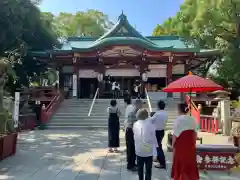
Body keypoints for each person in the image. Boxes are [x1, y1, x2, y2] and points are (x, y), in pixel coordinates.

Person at [171, 103, 199, 180]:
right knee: (190, 163)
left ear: (179, 110)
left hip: (180, 147)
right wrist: (193, 144)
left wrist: (173, 146)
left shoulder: (178, 120)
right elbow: (195, 134)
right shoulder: (193, 119)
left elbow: (175, 136)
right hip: (190, 146)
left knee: (180, 164)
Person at [133, 108, 158, 180]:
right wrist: (155, 153)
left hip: (138, 149)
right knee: (148, 170)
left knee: (140, 169)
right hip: (148, 150)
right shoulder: (151, 125)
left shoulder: (135, 124)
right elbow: (154, 139)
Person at [125, 99, 143, 171]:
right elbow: (132, 125)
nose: (142, 106)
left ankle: (133, 163)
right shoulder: (132, 113)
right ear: (137, 105)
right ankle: (130, 165)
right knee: (130, 149)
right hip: (130, 132)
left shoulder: (138, 113)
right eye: (141, 105)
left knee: (134, 149)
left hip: (135, 133)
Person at [149, 100, 167, 169]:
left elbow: (150, 120)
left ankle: (162, 163)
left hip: (156, 131)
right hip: (162, 131)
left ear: (158, 106)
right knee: (159, 145)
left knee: (158, 147)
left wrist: (150, 116)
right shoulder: (165, 113)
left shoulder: (157, 114)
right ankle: (158, 159)